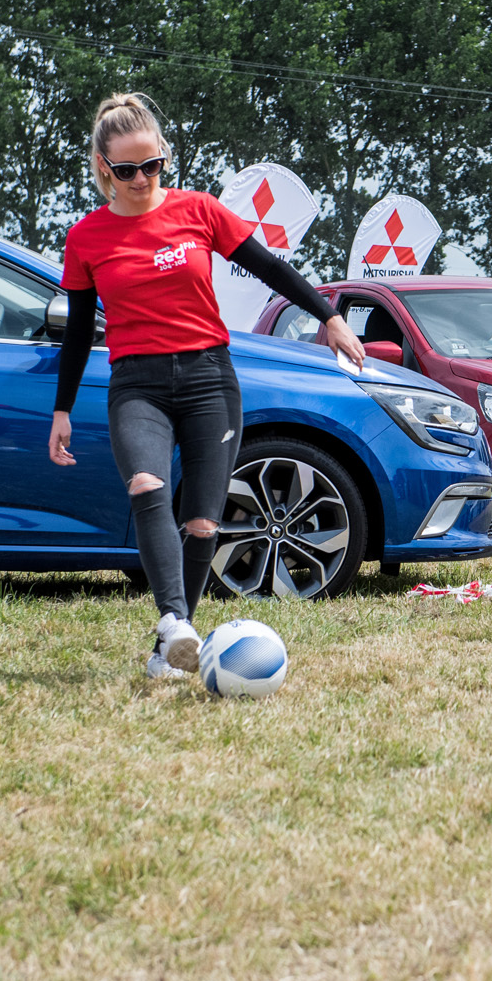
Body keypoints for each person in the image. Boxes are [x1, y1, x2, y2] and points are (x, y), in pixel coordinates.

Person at [48, 93, 364, 678]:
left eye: (152, 165)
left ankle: (168, 651)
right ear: (102, 167)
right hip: (137, 385)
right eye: (127, 170)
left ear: (164, 158)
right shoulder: (86, 237)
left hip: (209, 380)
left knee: (202, 523)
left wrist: (330, 316)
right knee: (146, 484)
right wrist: (62, 409)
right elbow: (79, 331)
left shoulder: (198, 210)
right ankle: (174, 622)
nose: (141, 179)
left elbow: (271, 267)